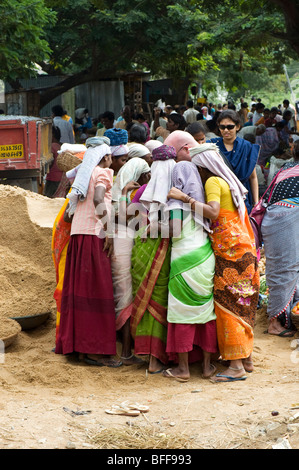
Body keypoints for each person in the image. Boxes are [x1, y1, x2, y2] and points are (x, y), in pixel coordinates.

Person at [168, 143, 259, 382]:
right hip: (244, 249)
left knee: (228, 304)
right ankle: (245, 359)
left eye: (196, 169)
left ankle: (236, 366)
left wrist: (183, 197)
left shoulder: (211, 182)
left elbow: (213, 212)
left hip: (231, 253)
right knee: (242, 302)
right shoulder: (226, 182)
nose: (195, 175)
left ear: (203, 166)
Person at [55, 137, 123, 367]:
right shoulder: (103, 173)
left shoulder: (82, 177)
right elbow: (97, 198)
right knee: (97, 291)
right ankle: (94, 351)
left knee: (78, 292)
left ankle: (79, 347)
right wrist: (109, 231)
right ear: (105, 157)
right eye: (111, 157)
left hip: (78, 237)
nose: (112, 160)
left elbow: (70, 212)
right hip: (94, 236)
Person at [163, 160, 218, 382]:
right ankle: (206, 367)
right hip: (205, 258)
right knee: (205, 313)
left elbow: (175, 232)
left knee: (182, 313)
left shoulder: (177, 203)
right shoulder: (202, 200)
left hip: (184, 260)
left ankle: (183, 369)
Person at [130, 145, 176, 373]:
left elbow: (129, 221)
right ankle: (157, 357)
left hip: (142, 247)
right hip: (163, 249)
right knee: (161, 298)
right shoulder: (179, 189)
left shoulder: (146, 191)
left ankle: (147, 354)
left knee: (145, 298)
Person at [110, 158, 151, 364]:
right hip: (124, 250)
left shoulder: (115, 192)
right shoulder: (136, 192)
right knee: (126, 298)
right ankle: (126, 351)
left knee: (121, 297)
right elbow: (127, 219)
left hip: (117, 247)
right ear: (141, 175)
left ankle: (123, 347)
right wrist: (127, 193)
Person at [261, 141, 299, 337]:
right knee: (286, 270)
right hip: (286, 219)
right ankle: (275, 323)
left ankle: (286, 317)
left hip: (272, 219)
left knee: (281, 270)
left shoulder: (286, 168)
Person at [209, 109, 260, 213]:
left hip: (243, 196)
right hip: (220, 197)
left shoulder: (246, 147)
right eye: (222, 127)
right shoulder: (211, 146)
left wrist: (256, 203)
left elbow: (253, 177)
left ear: (237, 127)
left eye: (230, 127)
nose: (226, 130)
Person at [44, 126, 63, 198]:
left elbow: (50, 162)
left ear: (52, 136)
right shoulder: (60, 145)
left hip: (52, 178)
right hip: (60, 178)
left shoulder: (52, 146)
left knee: (48, 199)